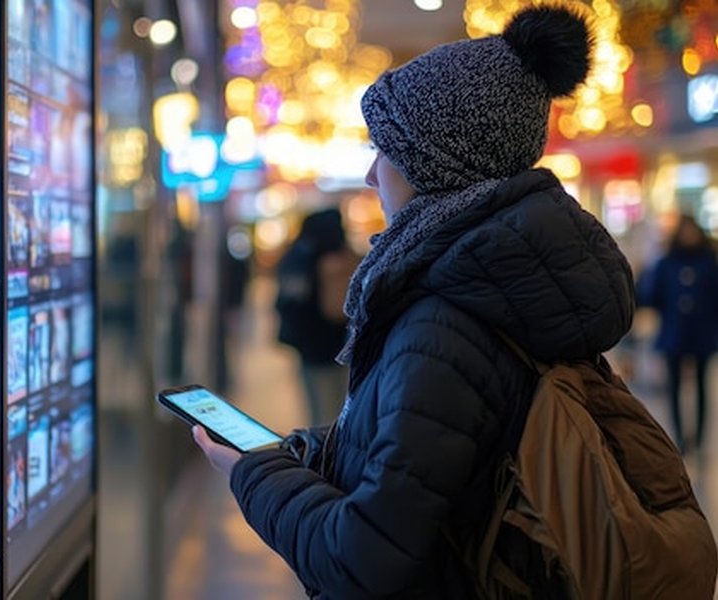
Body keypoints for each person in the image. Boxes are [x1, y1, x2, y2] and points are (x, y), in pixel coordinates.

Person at [194, 5, 636, 597]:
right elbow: (437, 460)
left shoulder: (445, 320)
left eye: (386, 152)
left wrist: (252, 472)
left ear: (434, 164)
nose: (371, 176)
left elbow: (363, 560)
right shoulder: (497, 285)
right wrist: (304, 451)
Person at [637, 214, 718, 456]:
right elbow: (652, 296)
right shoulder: (666, 263)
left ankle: (699, 439)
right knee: (674, 388)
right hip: (674, 334)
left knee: (702, 387)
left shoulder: (708, 262)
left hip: (703, 334)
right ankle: (680, 437)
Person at [275, 208, 358, 425]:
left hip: (311, 348)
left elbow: (288, 303)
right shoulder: (342, 255)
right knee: (340, 407)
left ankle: (324, 443)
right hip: (339, 344)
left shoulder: (298, 256)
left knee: (320, 408)